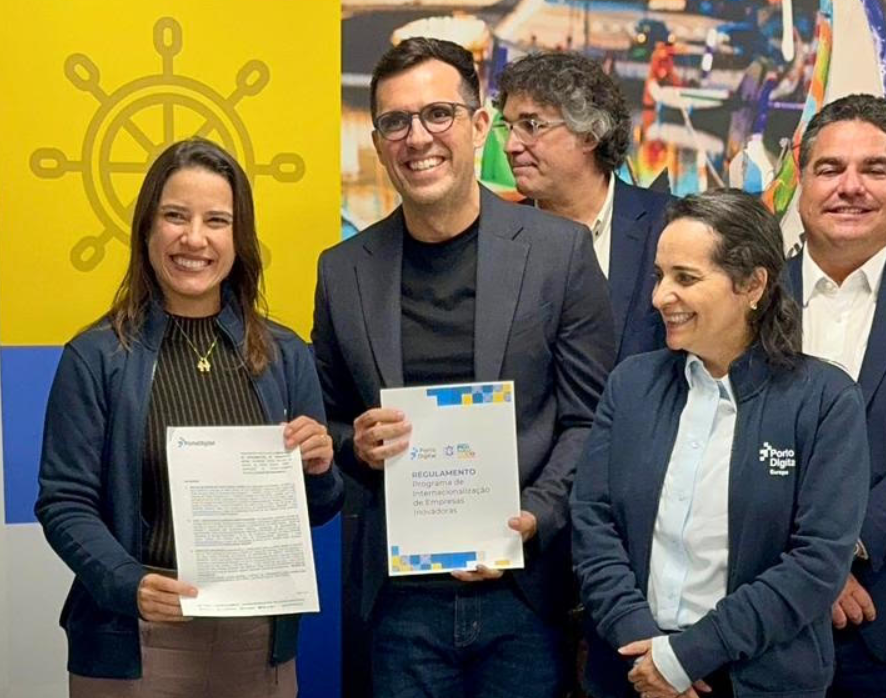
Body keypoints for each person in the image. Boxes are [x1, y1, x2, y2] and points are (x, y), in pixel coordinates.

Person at [312, 37, 615, 698]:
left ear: (479, 125)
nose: (417, 137)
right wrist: (354, 443)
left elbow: (592, 420)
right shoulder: (342, 272)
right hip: (400, 606)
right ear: (378, 143)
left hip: (526, 597)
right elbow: (325, 423)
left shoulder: (559, 254)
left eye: (438, 114)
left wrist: (536, 514)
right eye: (396, 121)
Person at [35, 138, 343, 697]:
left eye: (216, 220)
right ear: (147, 230)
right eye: (175, 216)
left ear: (238, 238)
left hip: (258, 641)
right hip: (135, 640)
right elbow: (64, 502)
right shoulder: (96, 356)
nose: (194, 238)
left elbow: (319, 508)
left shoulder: (285, 355)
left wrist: (320, 468)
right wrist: (128, 583)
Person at [572, 188, 870, 698]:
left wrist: (687, 656)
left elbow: (817, 562)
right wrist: (644, 647)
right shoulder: (631, 385)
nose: (660, 296)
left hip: (758, 678)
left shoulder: (824, 399)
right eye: (659, 276)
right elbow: (593, 523)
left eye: (685, 278)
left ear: (753, 284)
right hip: (630, 672)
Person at [786, 93, 886, 697]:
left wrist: (838, 551)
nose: (851, 187)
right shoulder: (743, 299)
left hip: (877, 615)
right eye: (830, 169)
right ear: (801, 181)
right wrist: (804, 571)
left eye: (875, 169)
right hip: (755, 622)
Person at [494, 51, 671, 362]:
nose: (511, 146)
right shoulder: (494, 236)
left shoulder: (669, 225)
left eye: (531, 126)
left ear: (590, 135)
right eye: (508, 127)